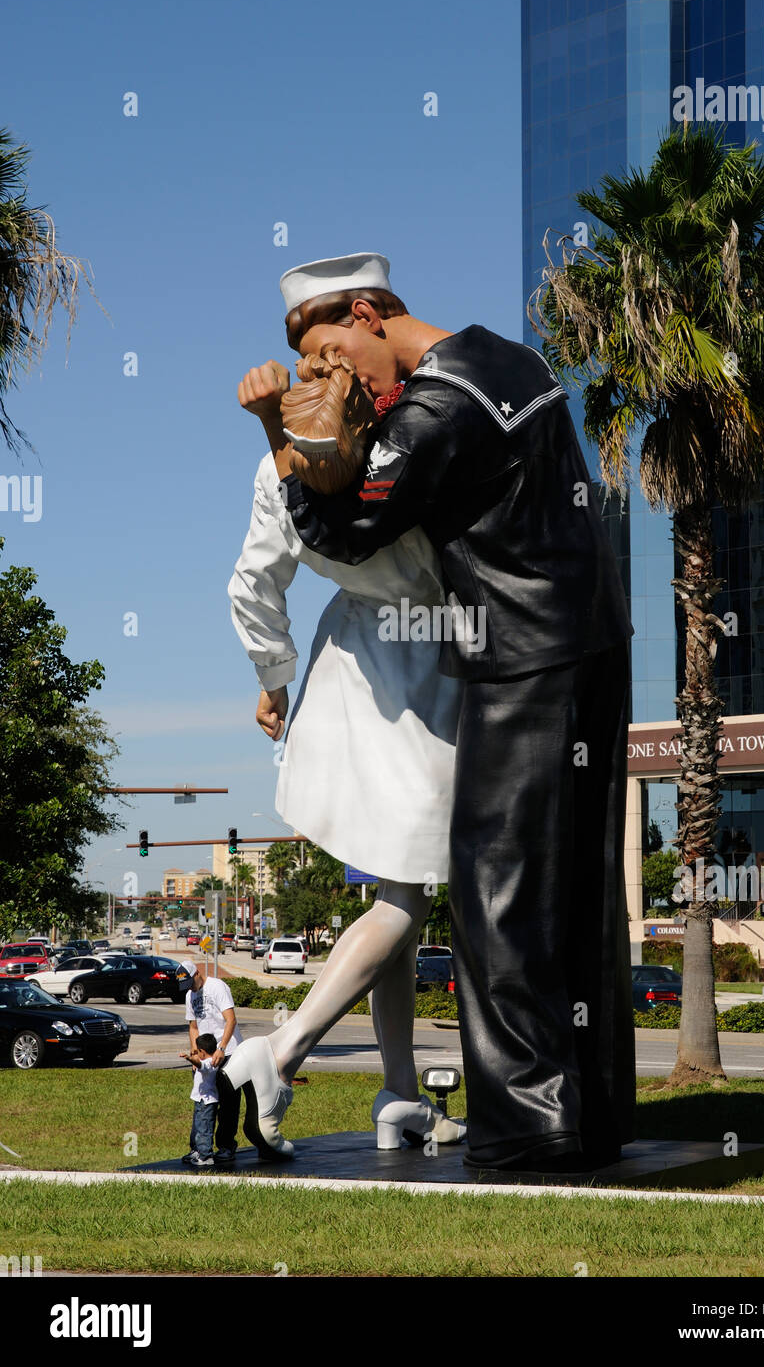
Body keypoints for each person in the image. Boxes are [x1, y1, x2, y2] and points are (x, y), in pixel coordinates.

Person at [265, 252, 637, 1175]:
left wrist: (284, 446)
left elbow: (345, 527)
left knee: (494, 894)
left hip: (519, 654)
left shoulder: (436, 407)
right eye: (313, 369)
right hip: (593, 637)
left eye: (329, 353)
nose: (327, 379)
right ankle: (594, 1111)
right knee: (579, 889)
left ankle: (524, 1129)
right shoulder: (511, 361)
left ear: (368, 311)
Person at [224, 341, 467, 1159]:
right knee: (404, 897)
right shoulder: (416, 447)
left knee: (403, 897)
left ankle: (400, 1092)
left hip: (351, 668)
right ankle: (280, 1051)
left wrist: (274, 676)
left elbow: (254, 581)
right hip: (418, 672)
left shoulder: (278, 471)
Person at [182, 962, 244, 1162]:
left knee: (228, 1103)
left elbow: (231, 1019)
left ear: (197, 973)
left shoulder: (217, 986)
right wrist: (195, 1053)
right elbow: (193, 1027)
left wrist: (222, 1048)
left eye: (190, 982)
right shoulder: (189, 995)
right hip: (205, 1056)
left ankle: (226, 1146)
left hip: (228, 1053)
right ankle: (199, 1148)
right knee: (202, 1102)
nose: (189, 987)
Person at [179, 1032, 220, 1168]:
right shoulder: (209, 1060)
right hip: (201, 1100)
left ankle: (206, 1156)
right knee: (198, 1126)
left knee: (204, 1128)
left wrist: (189, 1059)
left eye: (197, 1050)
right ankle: (197, 1151)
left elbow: (200, 1065)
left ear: (202, 1052)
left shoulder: (210, 1063)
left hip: (207, 1102)